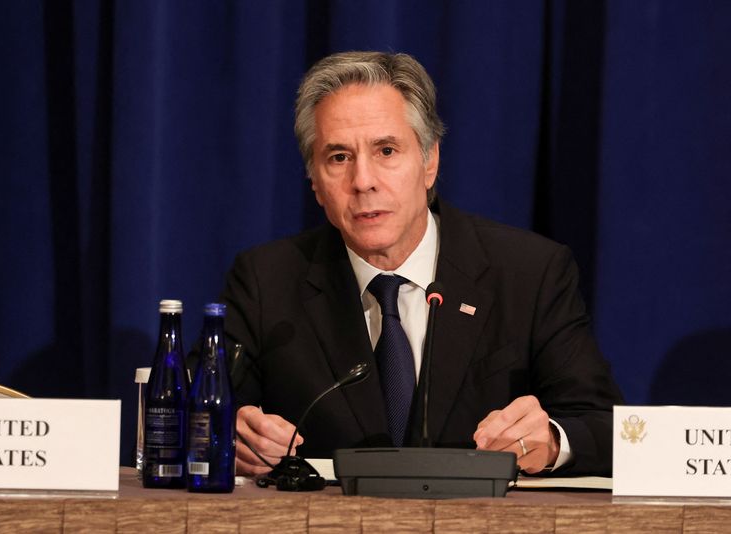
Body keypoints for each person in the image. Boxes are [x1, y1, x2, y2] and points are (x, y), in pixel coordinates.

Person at [222, 51, 623, 478]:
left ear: (429, 161)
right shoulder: (267, 282)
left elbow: (605, 428)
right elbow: (194, 412)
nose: (363, 181)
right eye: (338, 158)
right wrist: (229, 434)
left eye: (386, 150)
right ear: (315, 182)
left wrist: (554, 440)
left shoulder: (529, 273)